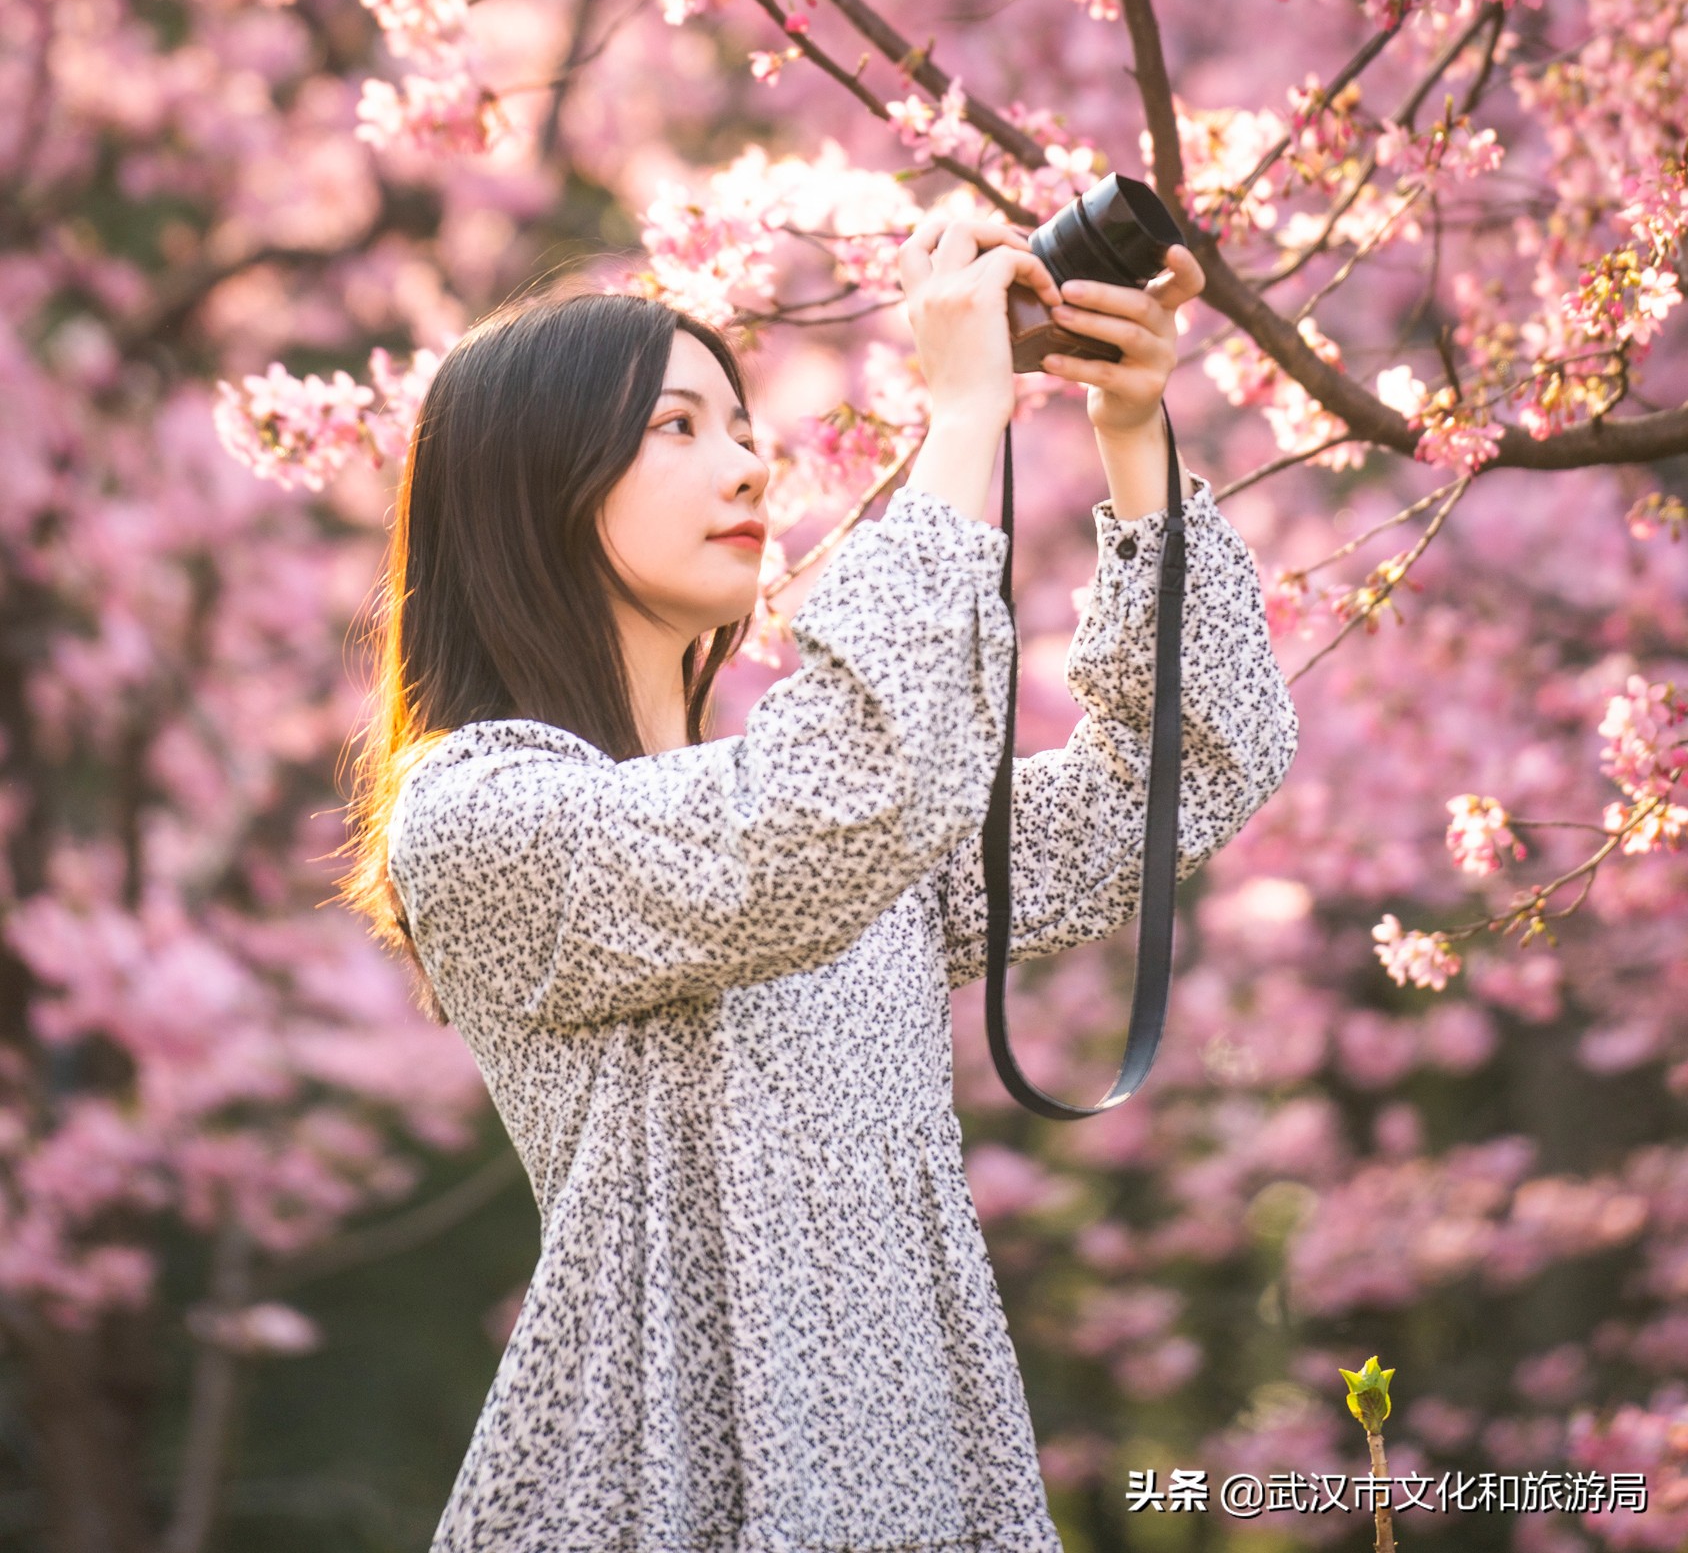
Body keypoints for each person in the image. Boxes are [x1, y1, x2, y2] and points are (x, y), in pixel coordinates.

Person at [346, 206, 1298, 1553]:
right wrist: (960, 420)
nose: (745, 467)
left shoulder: (828, 822)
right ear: (526, 487)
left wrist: (1133, 434)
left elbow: (1183, 776)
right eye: (677, 428)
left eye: (741, 425)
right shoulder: (483, 814)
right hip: (663, 1477)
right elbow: (829, 809)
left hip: (916, 1457)